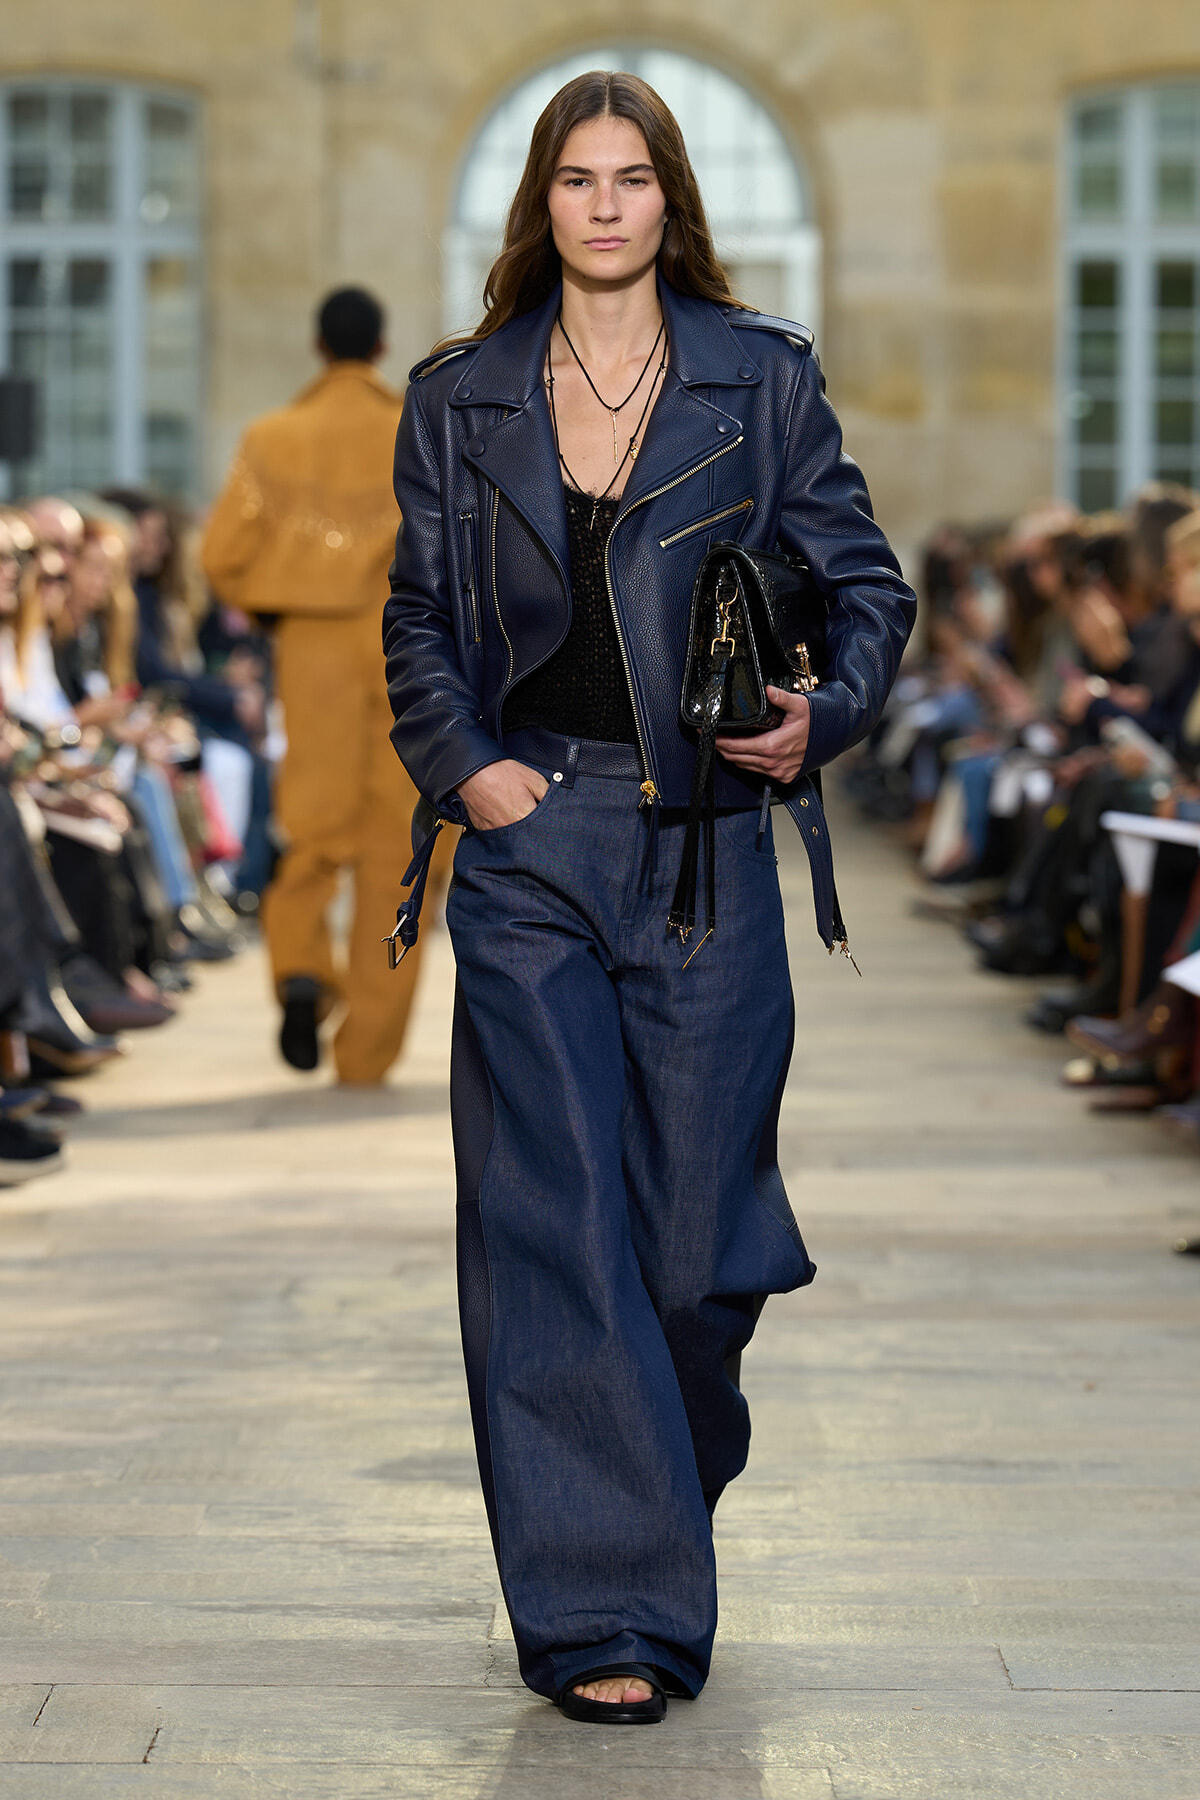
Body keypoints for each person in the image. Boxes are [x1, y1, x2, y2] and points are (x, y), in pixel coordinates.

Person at [383, 72, 915, 1722]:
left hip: (703, 845)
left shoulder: (762, 381)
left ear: (669, 199)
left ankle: (651, 1477)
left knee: (693, 1256)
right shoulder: (460, 394)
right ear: (539, 203)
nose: (604, 205)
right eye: (574, 179)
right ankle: (605, 1612)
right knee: (552, 1226)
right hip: (534, 839)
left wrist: (817, 715)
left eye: (631, 179)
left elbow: (867, 587)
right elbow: (411, 617)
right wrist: (468, 764)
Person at [204, 288, 439, 1084]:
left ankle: (301, 968)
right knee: (400, 854)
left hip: (310, 649)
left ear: (317, 345)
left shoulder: (273, 437)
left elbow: (222, 556)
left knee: (311, 828)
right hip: (407, 650)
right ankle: (365, 1054)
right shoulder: (418, 430)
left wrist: (277, 605)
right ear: (379, 349)